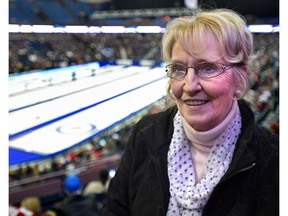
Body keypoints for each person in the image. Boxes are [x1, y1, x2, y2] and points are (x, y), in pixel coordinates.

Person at [103, 8, 279, 216]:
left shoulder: (274, 161)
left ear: (240, 76)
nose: (189, 85)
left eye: (208, 68)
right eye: (179, 68)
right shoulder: (145, 133)